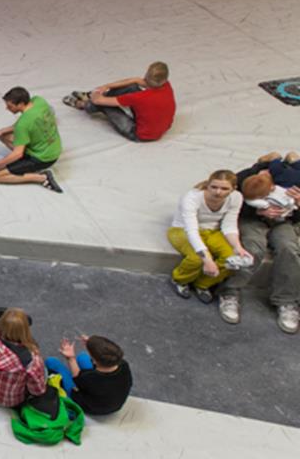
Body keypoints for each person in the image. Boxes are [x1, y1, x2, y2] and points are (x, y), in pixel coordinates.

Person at [223, 154, 300, 331]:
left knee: (288, 248)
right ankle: (229, 291)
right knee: (253, 247)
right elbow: (229, 203)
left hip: (283, 222)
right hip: (252, 220)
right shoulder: (246, 177)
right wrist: (257, 212)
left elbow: (297, 218)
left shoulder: (293, 182)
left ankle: (287, 300)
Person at [167, 170, 249, 302]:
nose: (218, 192)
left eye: (224, 189)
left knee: (230, 259)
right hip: (182, 229)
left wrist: (237, 246)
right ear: (208, 185)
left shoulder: (236, 197)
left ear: (233, 189)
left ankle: (203, 284)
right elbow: (191, 230)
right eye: (214, 187)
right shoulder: (192, 198)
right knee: (196, 258)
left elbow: (229, 225)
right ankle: (180, 280)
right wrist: (208, 260)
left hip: (213, 231)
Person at [63, 61, 175, 142]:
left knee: (104, 105)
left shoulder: (139, 97)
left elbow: (99, 100)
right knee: (132, 86)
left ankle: (84, 105)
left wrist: (96, 94)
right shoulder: (166, 85)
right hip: (161, 128)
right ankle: (90, 97)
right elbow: (135, 80)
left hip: (140, 134)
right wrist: (106, 86)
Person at [0, 87, 63, 193]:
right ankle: (22, 161)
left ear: (20, 104)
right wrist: (1, 131)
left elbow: (18, 154)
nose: (7, 108)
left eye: (10, 106)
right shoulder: (38, 100)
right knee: (3, 135)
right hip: (54, 148)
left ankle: (42, 177)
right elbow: (27, 121)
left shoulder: (23, 125)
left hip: (43, 159)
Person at [0, 308, 47, 408]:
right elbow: (37, 391)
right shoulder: (32, 360)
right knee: (44, 371)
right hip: (9, 401)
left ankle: (9, 319)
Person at [45, 335, 132, 415]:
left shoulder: (90, 378)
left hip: (92, 408)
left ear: (95, 361)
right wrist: (92, 344)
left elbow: (77, 377)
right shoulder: (123, 365)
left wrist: (70, 358)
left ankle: (70, 405)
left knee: (51, 362)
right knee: (83, 357)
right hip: (114, 404)